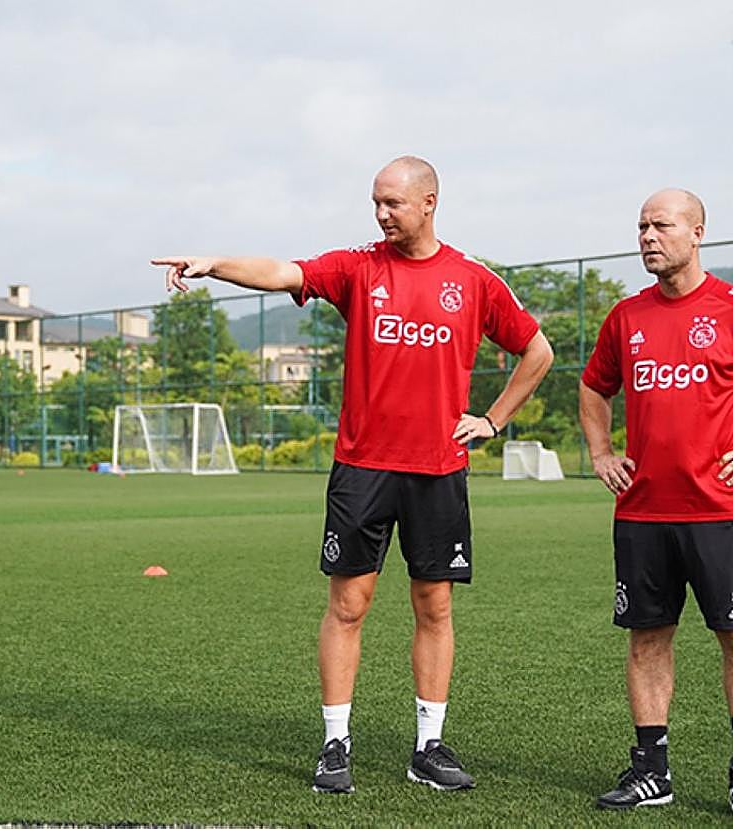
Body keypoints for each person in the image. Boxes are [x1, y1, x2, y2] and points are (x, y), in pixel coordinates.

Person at [152, 156, 553, 794]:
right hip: (362, 468)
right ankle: (335, 743)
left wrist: (494, 419)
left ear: (429, 203)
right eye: (375, 202)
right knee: (348, 606)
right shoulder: (358, 267)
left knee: (435, 605)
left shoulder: (473, 281)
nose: (381, 214)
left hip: (437, 470)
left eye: (393, 203)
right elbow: (284, 270)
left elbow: (538, 349)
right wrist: (215, 265)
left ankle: (430, 746)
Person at [580, 189, 733, 811]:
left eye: (661, 225)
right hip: (642, 512)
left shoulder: (728, 308)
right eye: (641, 225)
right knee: (647, 638)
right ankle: (651, 772)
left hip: (720, 512)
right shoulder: (626, 317)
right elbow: (594, 389)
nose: (647, 236)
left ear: (697, 232)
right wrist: (600, 453)